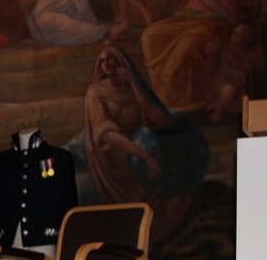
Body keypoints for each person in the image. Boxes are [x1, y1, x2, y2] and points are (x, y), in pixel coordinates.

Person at [82, 47, 208, 241]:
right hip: (118, 154)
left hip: (140, 147)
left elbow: (159, 118)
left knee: (177, 165)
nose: (106, 64)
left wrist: (133, 83)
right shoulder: (95, 93)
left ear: (120, 63)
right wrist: (144, 155)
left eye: (111, 59)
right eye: (103, 60)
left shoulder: (130, 89)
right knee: (145, 190)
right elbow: (108, 135)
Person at [0, 129, 78, 260]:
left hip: (44, 242)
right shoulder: (2, 161)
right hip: (11, 244)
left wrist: (70, 248)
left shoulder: (61, 159)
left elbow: (70, 206)